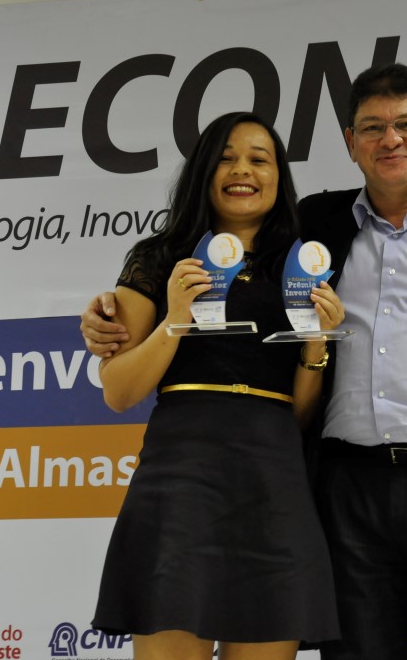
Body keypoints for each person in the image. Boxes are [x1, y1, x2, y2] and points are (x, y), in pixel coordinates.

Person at [82, 64, 407, 660]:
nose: (391, 140)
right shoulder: (314, 227)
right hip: (337, 490)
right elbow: (135, 360)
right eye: (372, 127)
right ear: (350, 142)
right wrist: (112, 317)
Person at [89, 111, 343, 660]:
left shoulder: (302, 267)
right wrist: (175, 319)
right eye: (226, 159)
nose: (242, 170)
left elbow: (301, 417)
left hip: (275, 482)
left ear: (279, 177)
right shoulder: (161, 258)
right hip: (181, 480)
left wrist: (315, 345)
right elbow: (118, 391)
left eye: (258, 159)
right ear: (203, 173)